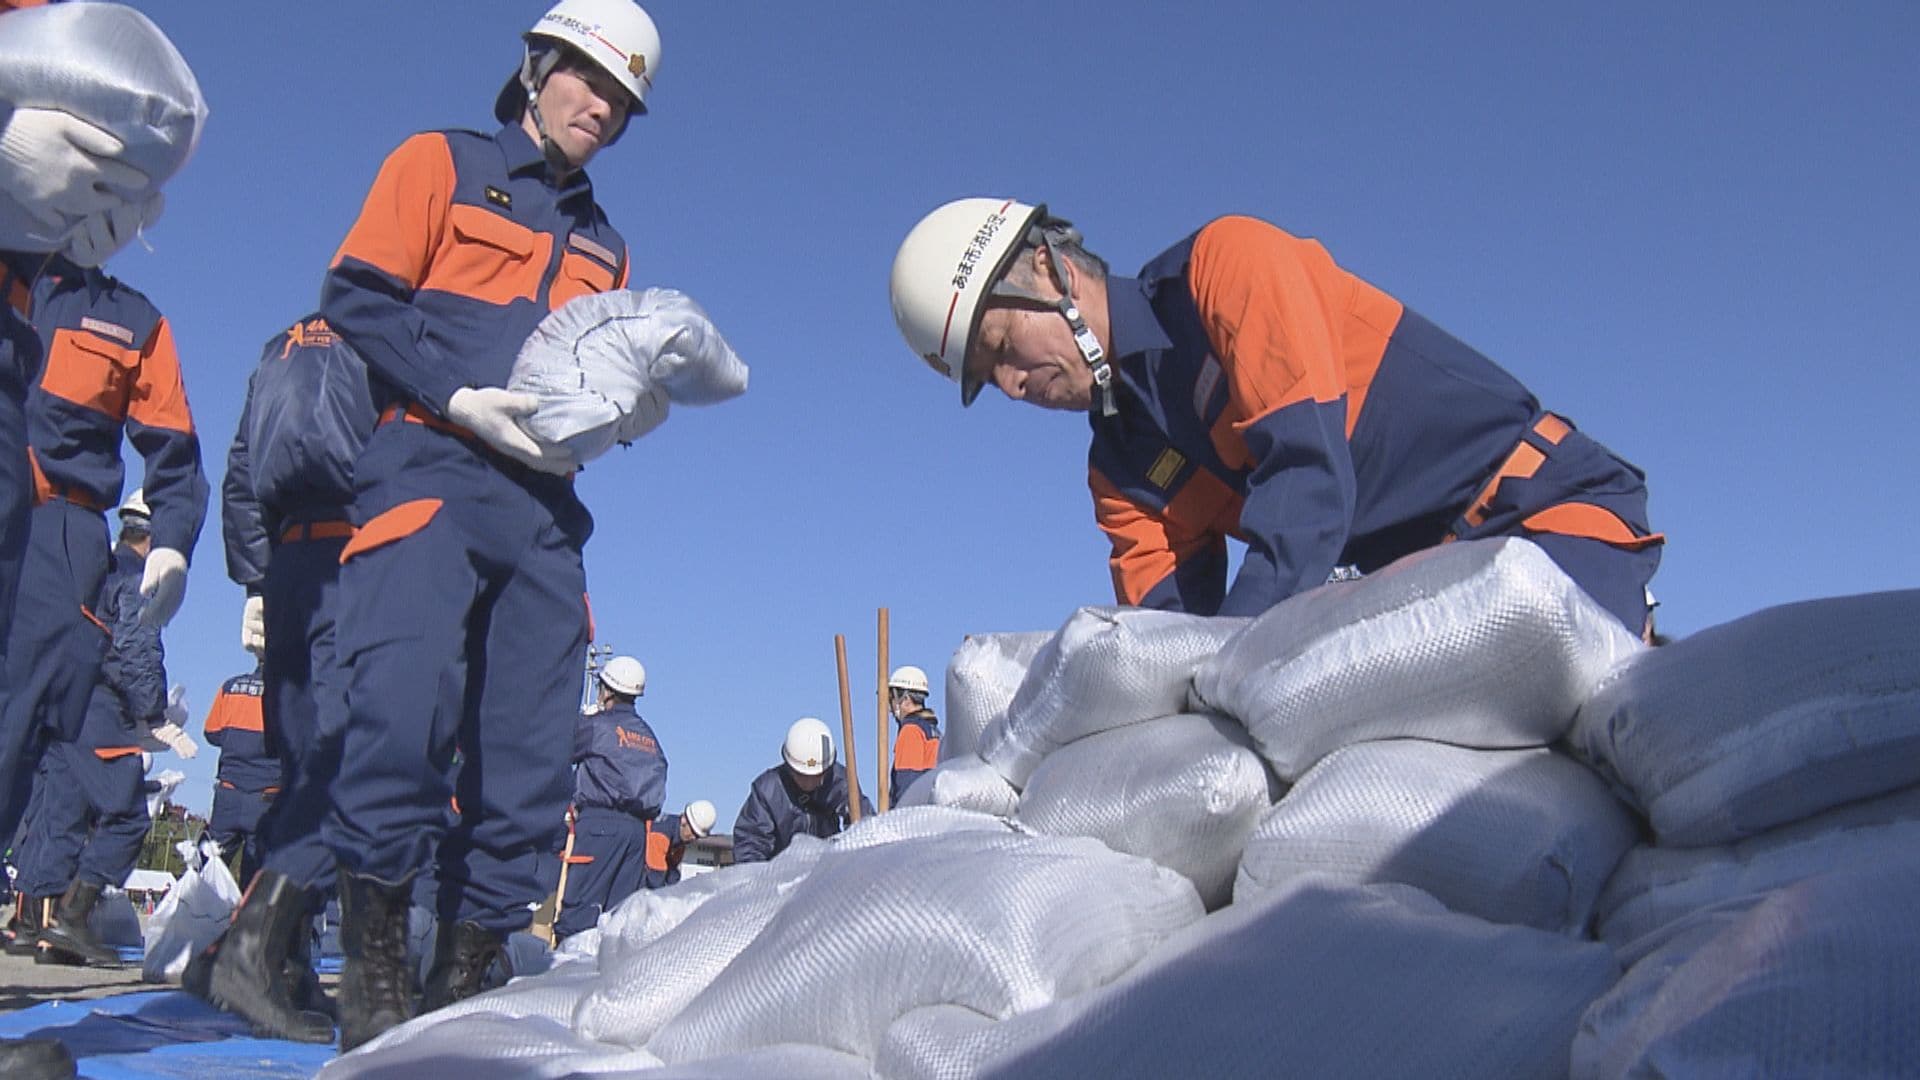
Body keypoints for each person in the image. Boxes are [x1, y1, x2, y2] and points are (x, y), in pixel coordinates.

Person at [315, 0, 662, 1050]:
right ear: (537, 65)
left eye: (622, 101)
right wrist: (455, 394)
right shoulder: (442, 161)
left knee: (528, 754)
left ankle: (464, 968)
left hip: (544, 509)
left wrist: (634, 404)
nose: (601, 108)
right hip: (429, 462)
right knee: (401, 709)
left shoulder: (609, 245)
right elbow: (357, 296)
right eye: (588, 80)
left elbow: (598, 377)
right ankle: (376, 963)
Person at [889, 201, 1664, 638]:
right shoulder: (1121, 471)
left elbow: (1308, 487)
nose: (1014, 386)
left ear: (1050, 270)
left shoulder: (1225, 270)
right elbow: (1172, 637)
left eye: (1003, 347)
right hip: (1421, 589)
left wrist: (1227, 671)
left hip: (1538, 513)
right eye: (990, 381)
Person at [187, 314, 373, 1043]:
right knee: (346, 763)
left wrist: (256, 579)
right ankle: (255, 954)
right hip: (353, 556)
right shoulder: (383, 342)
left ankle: (283, 959)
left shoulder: (276, 354)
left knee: (302, 767)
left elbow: (241, 468)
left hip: (290, 564)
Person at [0, 248, 206, 862]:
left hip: (56, 533)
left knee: (16, 727)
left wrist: (174, 540)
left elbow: (173, 442)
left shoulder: (132, 323)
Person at [21, 498, 174, 966]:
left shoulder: (92, 570)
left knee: (62, 817)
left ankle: (38, 929)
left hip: (65, 702)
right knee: (128, 816)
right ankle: (73, 917)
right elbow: (136, 644)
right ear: (154, 535)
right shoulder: (137, 579)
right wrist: (154, 712)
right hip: (103, 708)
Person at [551, 656, 666, 940]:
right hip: (637, 834)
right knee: (618, 921)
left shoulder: (596, 726)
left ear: (607, 691)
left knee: (579, 914)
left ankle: (567, 965)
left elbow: (557, 750)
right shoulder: (650, 739)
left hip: (599, 825)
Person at [733, 718, 873, 864]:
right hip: (779, 872)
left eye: (817, 776)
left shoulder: (842, 783)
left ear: (828, 769)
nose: (810, 783)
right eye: (803, 776)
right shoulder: (767, 792)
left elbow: (866, 825)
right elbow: (750, 845)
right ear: (789, 768)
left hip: (827, 870)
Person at [203, 664, 279, 884]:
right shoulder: (286, 692)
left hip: (228, 792)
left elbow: (212, 733)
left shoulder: (230, 687)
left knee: (210, 865)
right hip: (267, 795)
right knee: (256, 879)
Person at [885, 665, 941, 805]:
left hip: (915, 813)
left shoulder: (911, 731)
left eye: (892, 698)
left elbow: (907, 785)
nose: (890, 708)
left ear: (906, 699)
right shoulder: (932, 731)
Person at [641, 798, 715, 890]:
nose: (693, 838)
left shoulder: (680, 840)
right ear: (684, 820)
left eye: (697, 836)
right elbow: (655, 878)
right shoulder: (661, 833)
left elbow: (672, 873)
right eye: (693, 832)